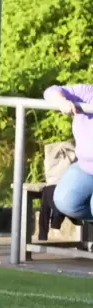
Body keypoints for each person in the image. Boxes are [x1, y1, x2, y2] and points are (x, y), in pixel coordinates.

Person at [43, 84, 93, 221]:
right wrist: (61, 101)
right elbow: (50, 91)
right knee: (65, 202)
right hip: (85, 166)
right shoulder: (87, 92)